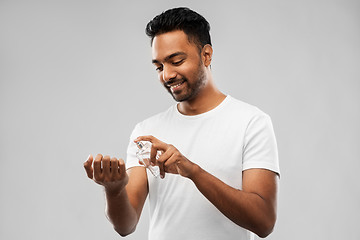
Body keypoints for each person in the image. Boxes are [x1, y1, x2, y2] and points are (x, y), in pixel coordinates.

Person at [84, 7, 280, 240]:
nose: (167, 75)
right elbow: (126, 226)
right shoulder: (146, 132)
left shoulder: (251, 123)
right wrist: (114, 190)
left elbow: (264, 222)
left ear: (206, 55)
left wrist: (192, 171)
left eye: (176, 61)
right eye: (159, 67)